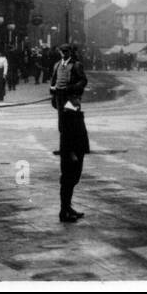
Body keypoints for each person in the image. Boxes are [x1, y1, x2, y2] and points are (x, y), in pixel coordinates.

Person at [49, 44, 90, 221]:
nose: (64, 54)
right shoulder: (57, 65)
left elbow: (83, 81)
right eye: (62, 51)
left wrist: (72, 90)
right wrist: (53, 92)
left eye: (66, 52)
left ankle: (67, 208)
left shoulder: (76, 65)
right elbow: (52, 82)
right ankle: (65, 210)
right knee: (66, 124)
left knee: (70, 121)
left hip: (67, 97)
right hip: (60, 98)